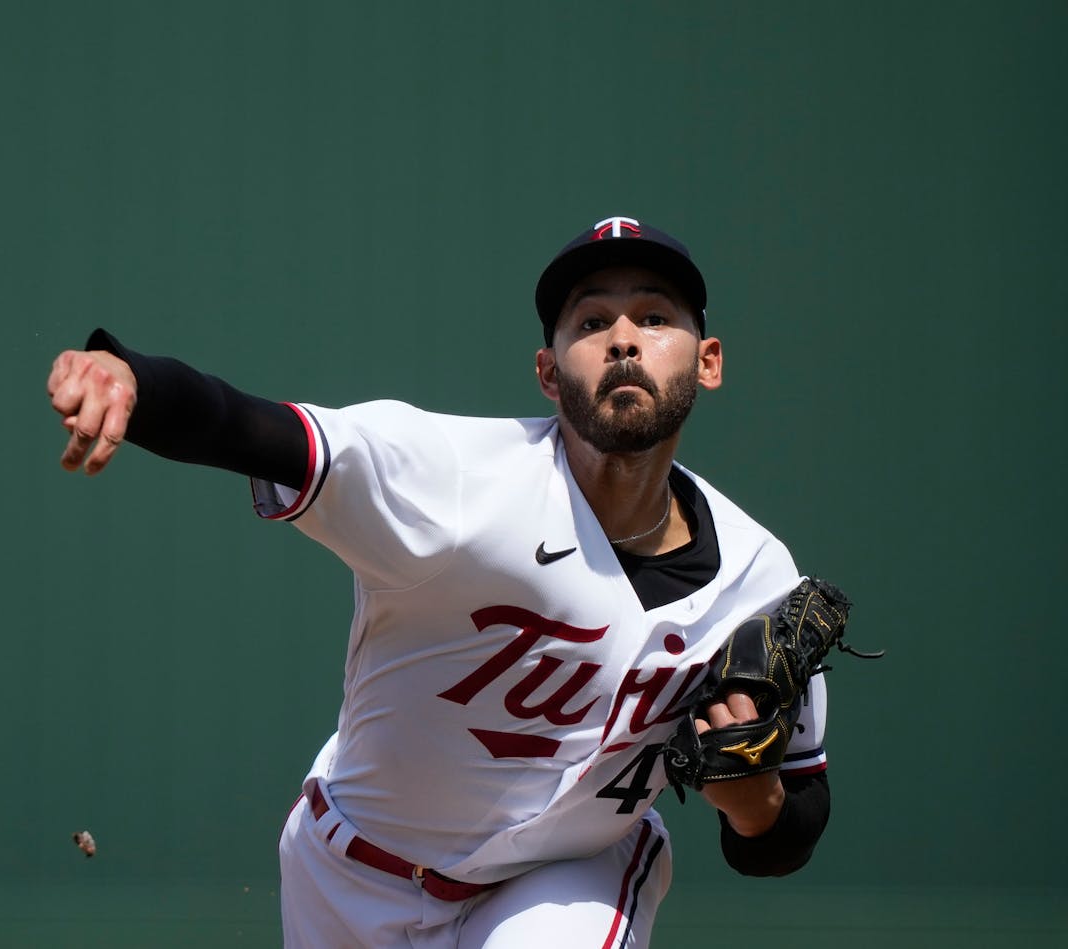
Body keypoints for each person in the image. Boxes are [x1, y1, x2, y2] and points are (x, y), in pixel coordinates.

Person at [46, 216, 833, 947]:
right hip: (347, 874)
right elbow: (259, 430)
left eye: (655, 318)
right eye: (591, 323)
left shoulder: (759, 578)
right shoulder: (458, 481)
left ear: (708, 361)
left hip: (564, 880)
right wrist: (136, 382)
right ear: (549, 374)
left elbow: (794, 822)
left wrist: (754, 803)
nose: (624, 339)